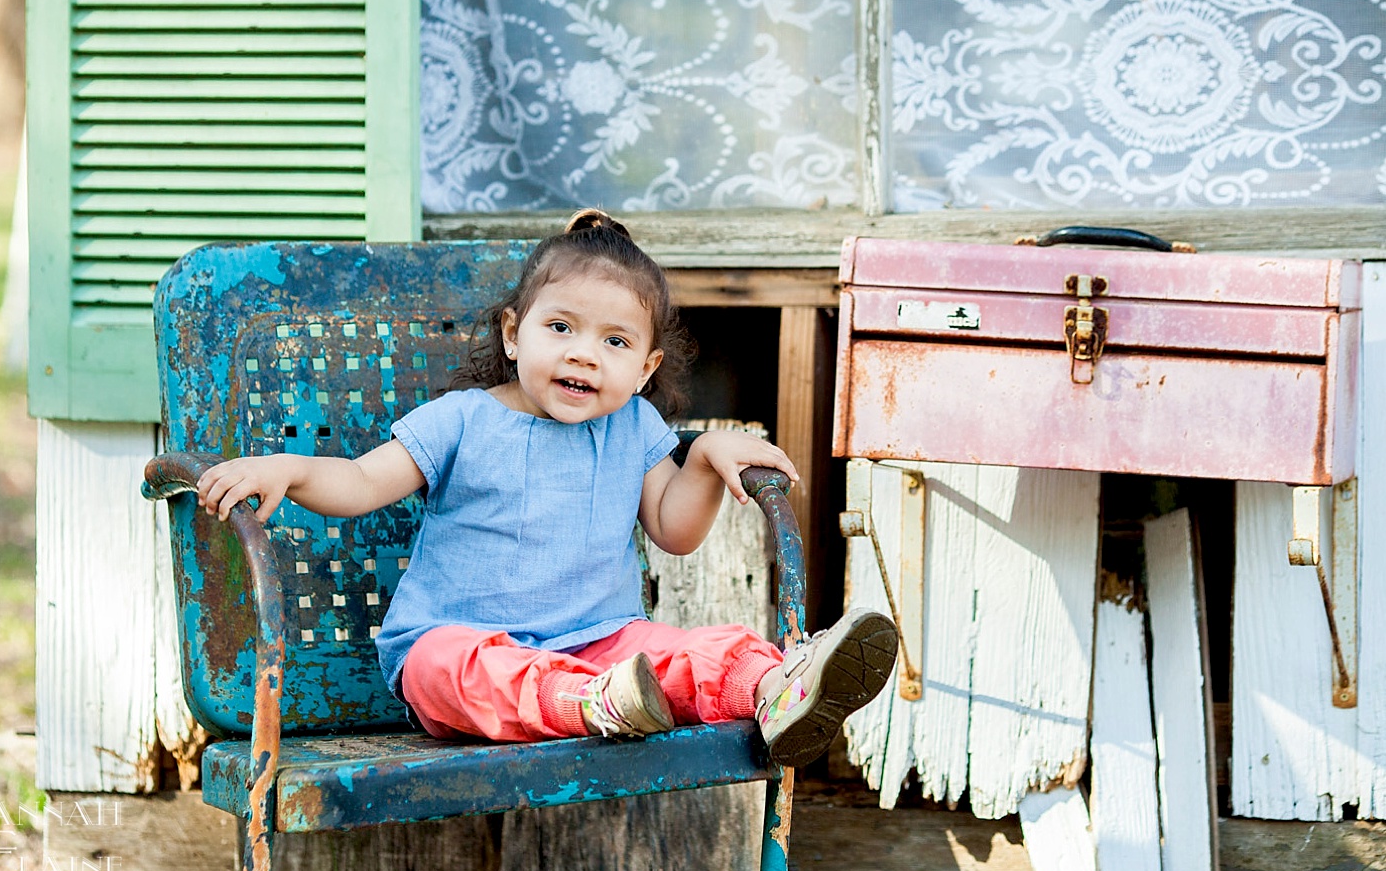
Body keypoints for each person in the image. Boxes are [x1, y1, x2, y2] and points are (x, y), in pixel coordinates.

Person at [196, 209, 897, 767]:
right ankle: (591, 704)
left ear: (646, 365)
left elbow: (674, 530)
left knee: (697, 648)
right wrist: (285, 468)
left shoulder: (632, 426)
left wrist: (706, 458)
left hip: (601, 645)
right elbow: (358, 481)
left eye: (615, 343)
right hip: (467, 649)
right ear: (513, 333)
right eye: (561, 327)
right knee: (444, 666)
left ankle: (778, 690)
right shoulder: (462, 420)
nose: (584, 353)